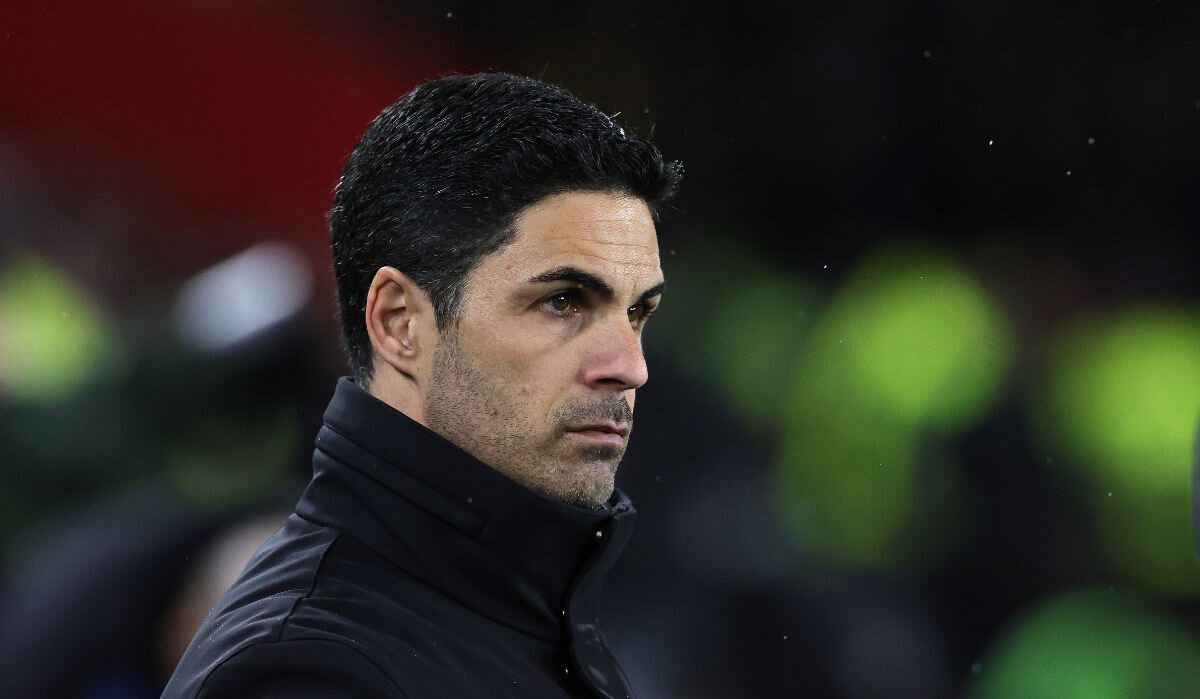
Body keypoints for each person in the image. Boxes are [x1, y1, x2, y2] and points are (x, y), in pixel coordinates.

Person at [162, 72, 682, 698]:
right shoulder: (310, 672)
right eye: (563, 301)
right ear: (399, 323)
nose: (630, 366)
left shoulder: (524, 618)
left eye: (638, 312)